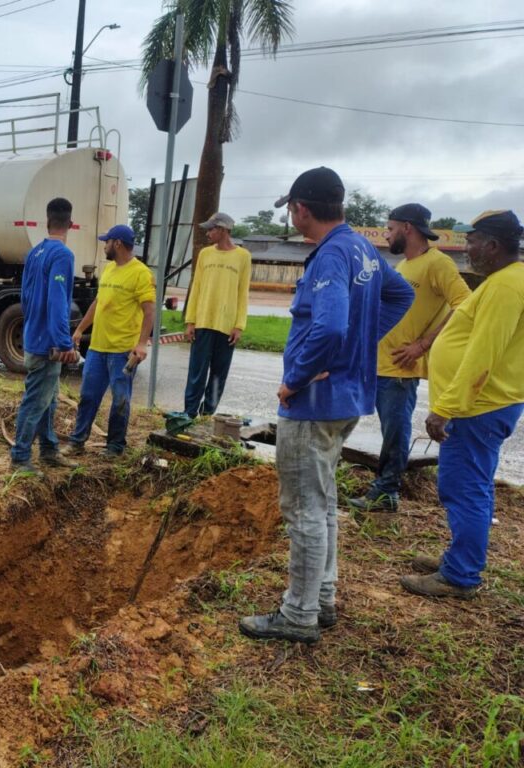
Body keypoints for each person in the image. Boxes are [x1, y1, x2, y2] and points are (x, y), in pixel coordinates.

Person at [239, 167, 414, 644]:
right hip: (346, 398)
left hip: (314, 402)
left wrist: (296, 378)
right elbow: (401, 294)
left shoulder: (332, 255)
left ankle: (299, 616)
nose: (291, 216)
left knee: (304, 510)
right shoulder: (362, 248)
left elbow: (332, 326)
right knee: (323, 501)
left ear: (301, 209)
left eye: (291, 209)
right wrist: (360, 343)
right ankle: (323, 598)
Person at [400, 210, 524, 600]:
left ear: (493, 244)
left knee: (463, 488)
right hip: (486, 404)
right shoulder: (505, 281)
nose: (466, 248)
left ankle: (460, 576)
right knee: (473, 486)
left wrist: (447, 407)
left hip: (478, 408)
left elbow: (483, 354)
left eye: (471, 241)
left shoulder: (505, 287)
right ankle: (460, 558)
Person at [349, 204, 471, 512]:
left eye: (390, 228)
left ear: (407, 227)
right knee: (383, 429)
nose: (386, 235)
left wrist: (423, 344)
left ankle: (387, 492)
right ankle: (382, 485)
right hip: (378, 362)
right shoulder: (403, 265)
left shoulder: (438, 263)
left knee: (395, 431)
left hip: (401, 368)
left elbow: (465, 304)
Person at [66, 224, 155, 457]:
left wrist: (141, 344)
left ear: (117, 243)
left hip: (122, 350)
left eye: (106, 242)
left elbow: (149, 311)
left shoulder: (141, 273)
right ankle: (77, 441)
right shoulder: (108, 270)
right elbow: (98, 303)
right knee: (88, 396)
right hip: (97, 347)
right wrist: (80, 329)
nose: (104, 246)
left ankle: (115, 446)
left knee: (120, 400)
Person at [9, 198, 79, 475]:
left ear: (47, 221)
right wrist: (64, 342)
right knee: (36, 401)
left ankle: (49, 450)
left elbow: (25, 297)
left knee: (49, 399)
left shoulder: (35, 252)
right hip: (47, 344)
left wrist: (33, 327)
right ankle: (20, 457)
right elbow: (58, 301)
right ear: (70, 223)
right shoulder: (63, 255)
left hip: (34, 336)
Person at [180, 212, 252, 425]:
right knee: (197, 371)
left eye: (211, 229)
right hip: (203, 321)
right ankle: (188, 413)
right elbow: (196, 287)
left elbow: (243, 292)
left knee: (218, 374)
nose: (208, 233)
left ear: (223, 230)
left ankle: (206, 414)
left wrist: (239, 325)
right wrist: (190, 321)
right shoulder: (205, 254)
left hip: (227, 326)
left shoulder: (243, 256)